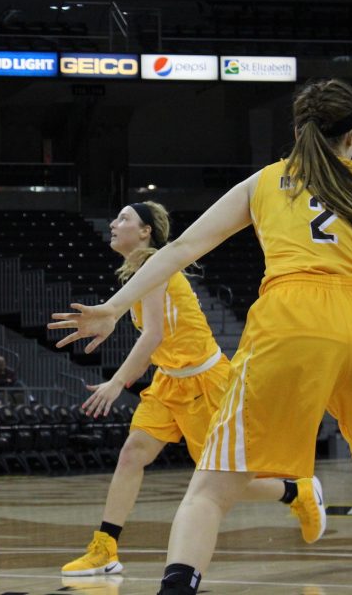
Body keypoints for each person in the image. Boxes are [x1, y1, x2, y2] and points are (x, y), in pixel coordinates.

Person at [49, 78, 352, 595]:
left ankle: (179, 587)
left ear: (295, 132)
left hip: (291, 324)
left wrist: (112, 308)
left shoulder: (266, 181)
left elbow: (179, 249)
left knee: (209, 490)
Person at [59, 201, 324, 578]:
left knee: (221, 482)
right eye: (115, 217)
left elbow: (153, 336)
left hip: (205, 382)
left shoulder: (155, 266)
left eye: (124, 219)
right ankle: (105, 548)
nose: (114, 224)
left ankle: (294, 493)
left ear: (146, 231)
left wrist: (117, 382)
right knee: (132, 454)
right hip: (170, 382)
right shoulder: (140, 271)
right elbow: (157, 343)